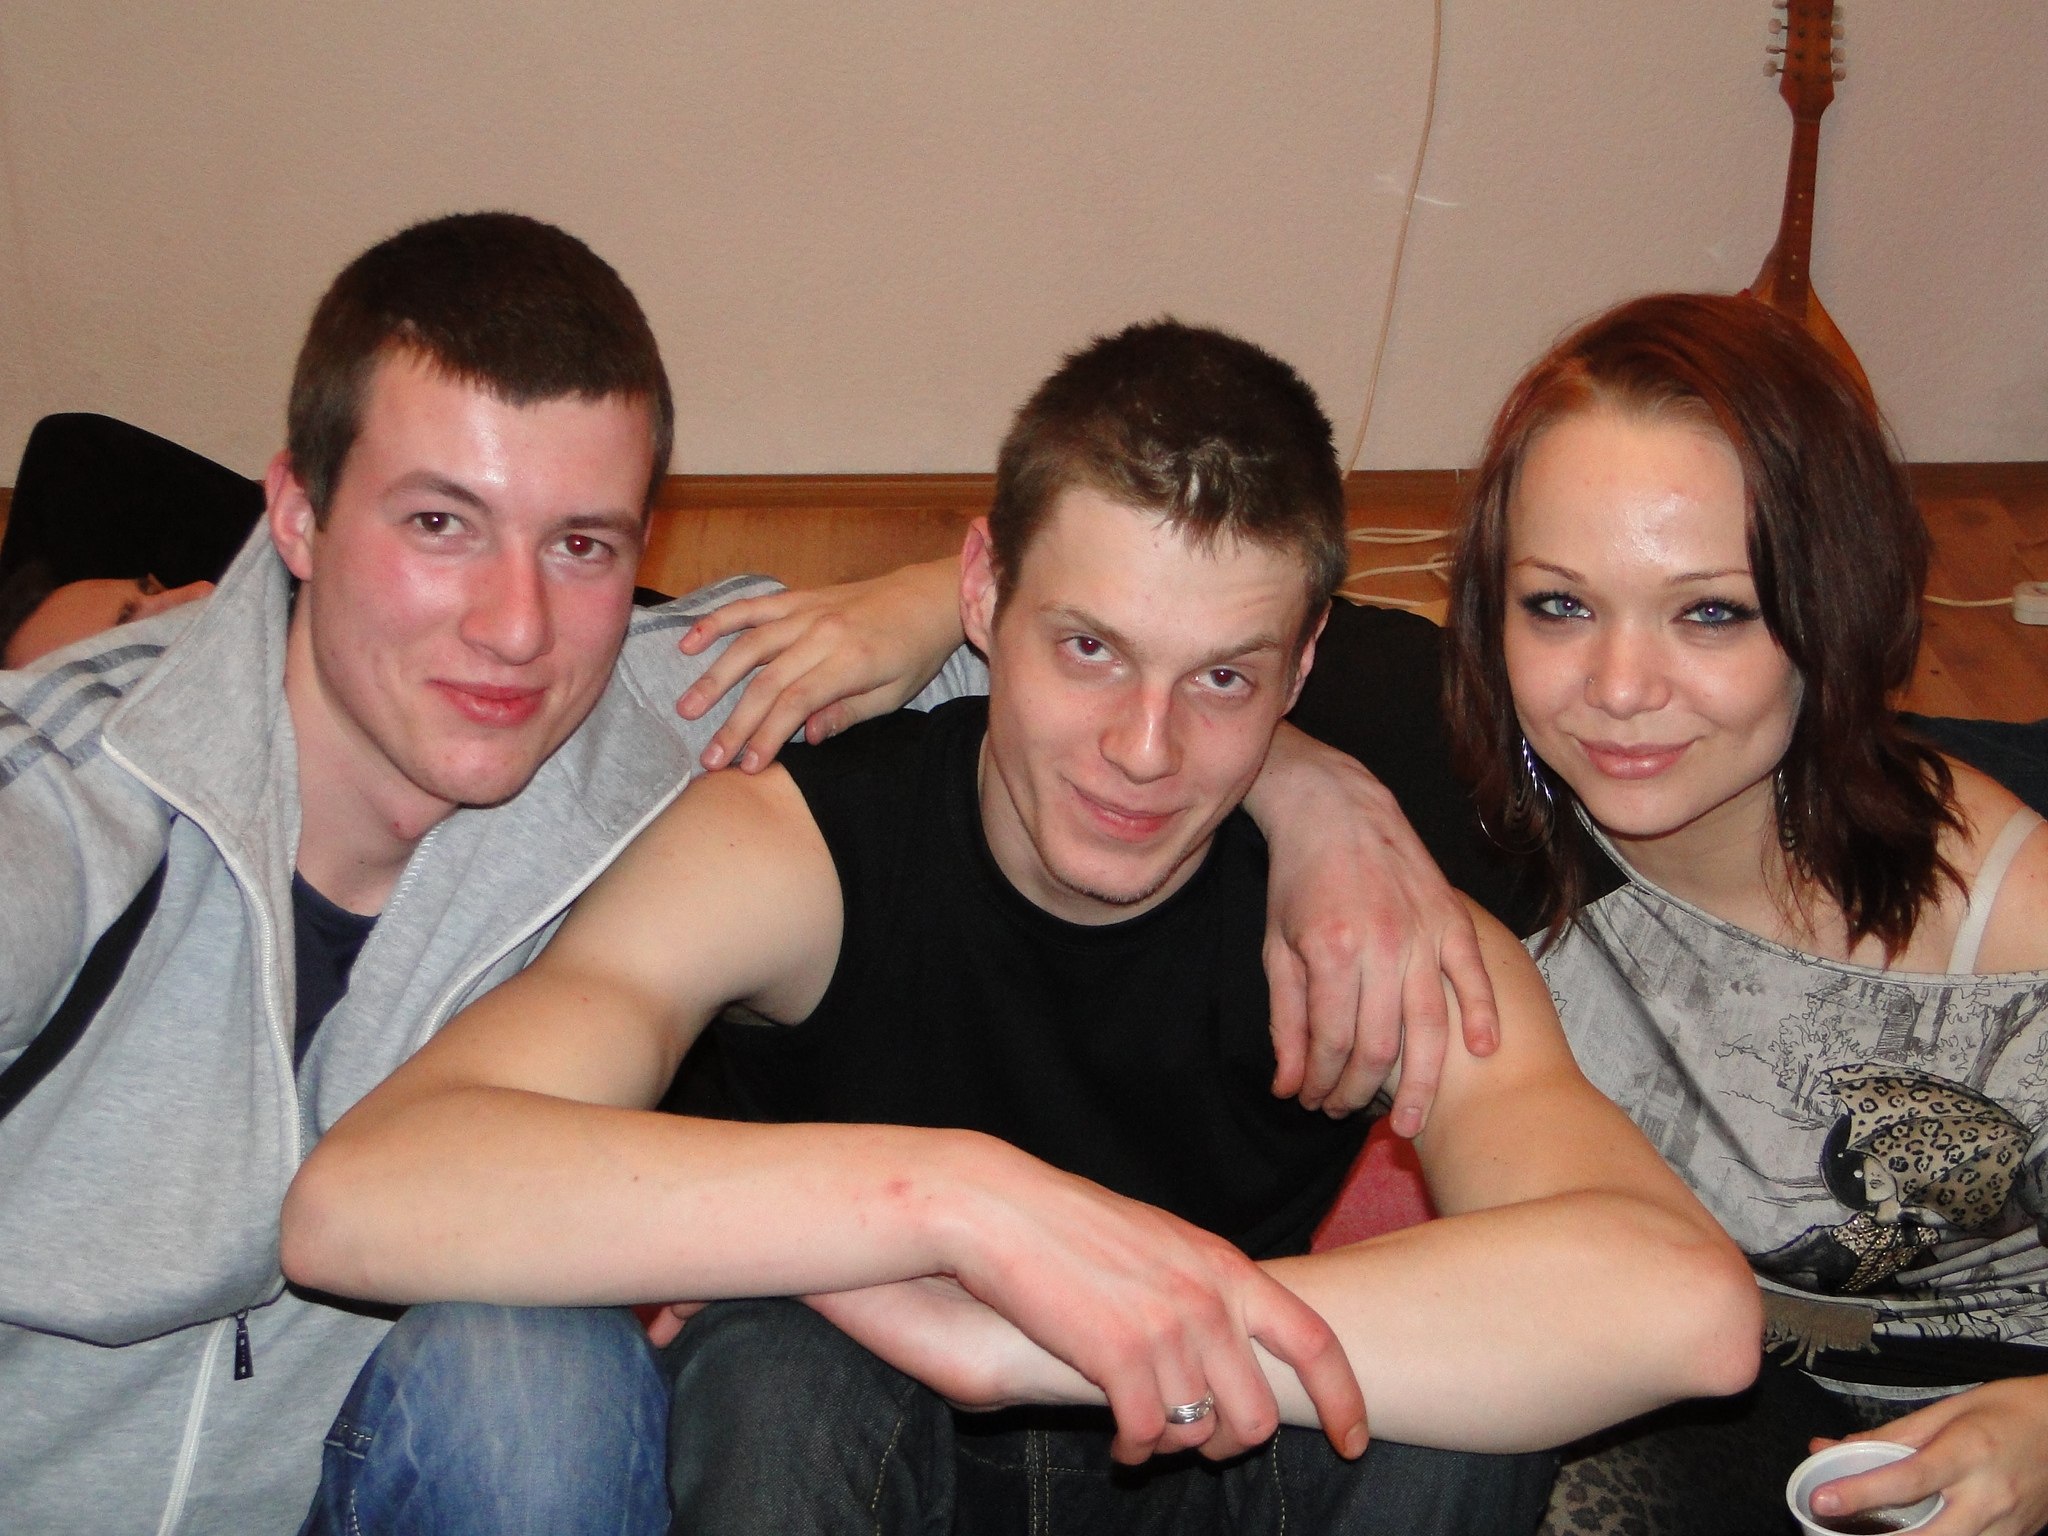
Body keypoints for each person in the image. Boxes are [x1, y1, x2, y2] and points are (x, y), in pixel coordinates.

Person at [0, 215, 1500, 1533]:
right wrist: (955, 1199)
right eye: (440, 523)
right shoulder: (62, 808)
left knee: (529, 1363)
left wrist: (1315, 794)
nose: (515, 627)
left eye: (583, 544)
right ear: (296, 511)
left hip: (393, 1477)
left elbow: (1122, 676)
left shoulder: (683, 703)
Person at [282, 318, 1761, 1536]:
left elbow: (1683, 1306)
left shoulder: (1364, 923)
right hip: (854, 1458)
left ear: (1306, 664)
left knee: (1457, 1406)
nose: (1143, 750)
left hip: (1209, 1452)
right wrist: (962, 1208)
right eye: (1089, 648)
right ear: (981, 592)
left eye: (1224, 679)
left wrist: (1065, 1334)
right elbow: (367, 1197)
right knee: (779, 1358)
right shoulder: (796, 850)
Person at [1442, 292, 2048, 1536]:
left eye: (1709, 612)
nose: (1617, 688)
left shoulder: (2013, 926)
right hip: (1732, 1414)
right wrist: (1312, 796)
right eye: (1558, 604)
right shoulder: (1463, 790)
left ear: (1829, 609)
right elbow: (1227, 646)